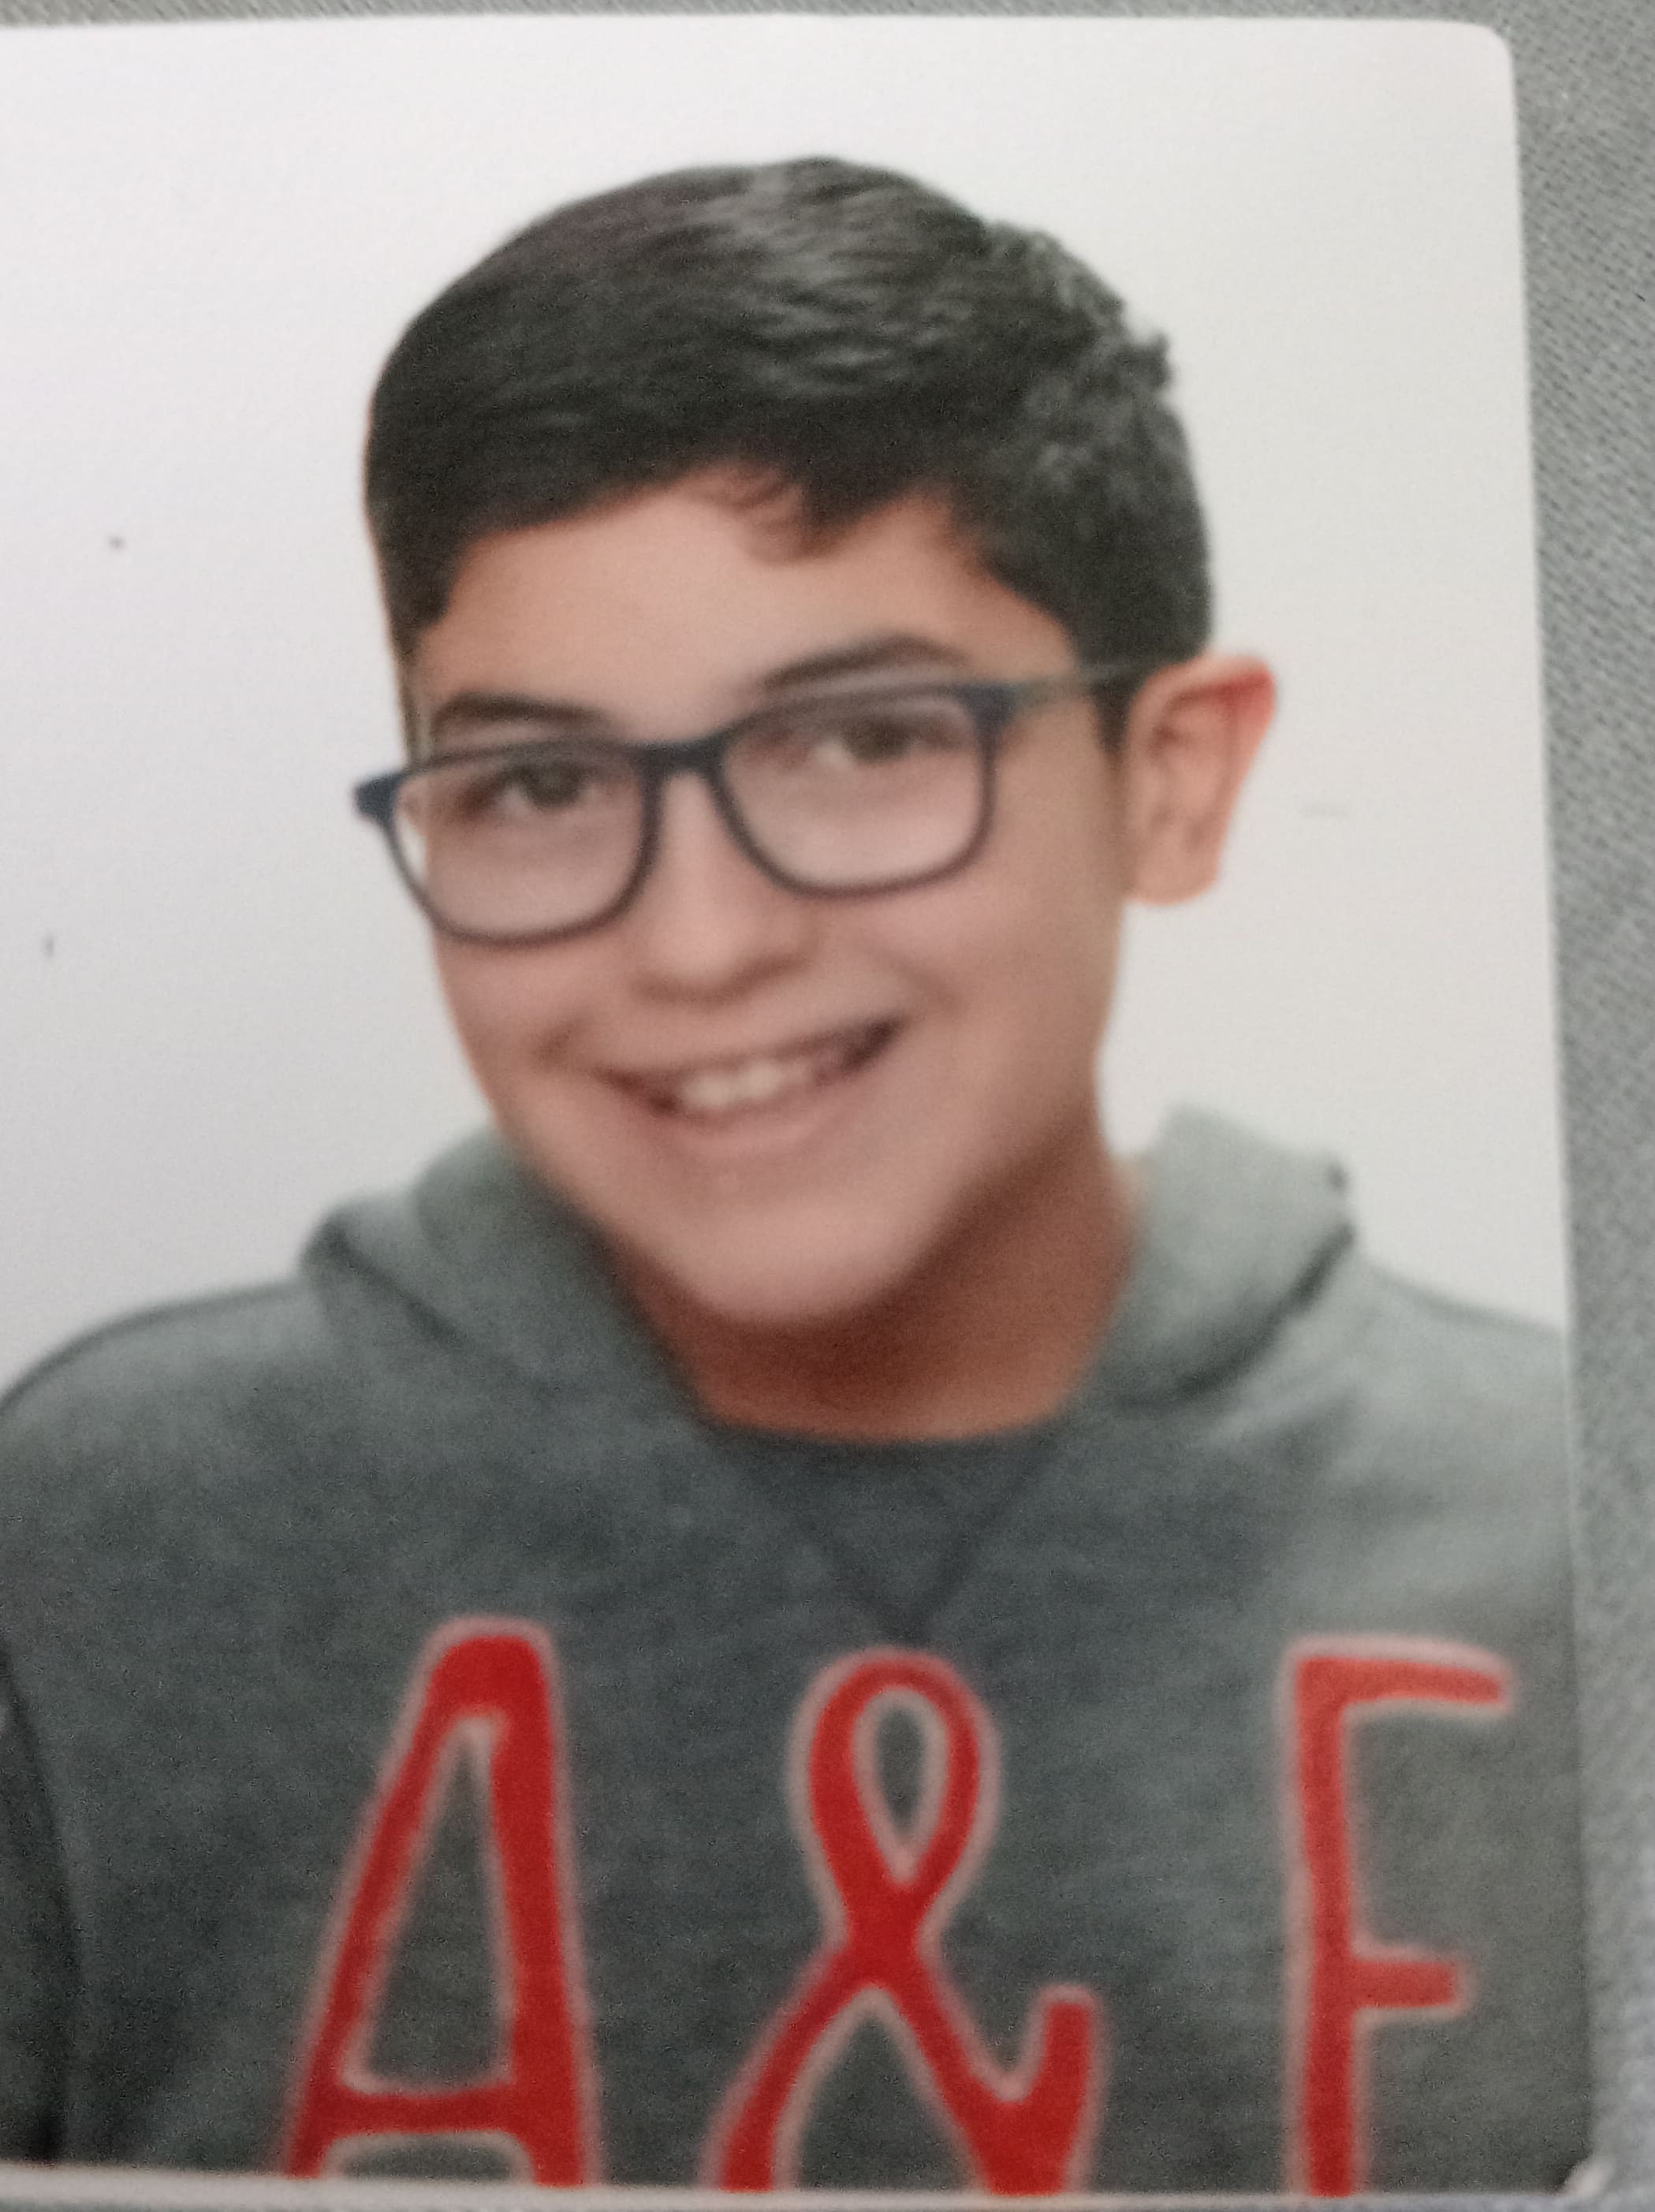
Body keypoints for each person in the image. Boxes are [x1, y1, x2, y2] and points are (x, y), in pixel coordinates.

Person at [0, 157, 1587, 2192]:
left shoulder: (1562, 1539)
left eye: (860, 744)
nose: (698, 945)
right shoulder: (93, 1540)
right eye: (540, 782)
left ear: (1169, 779)